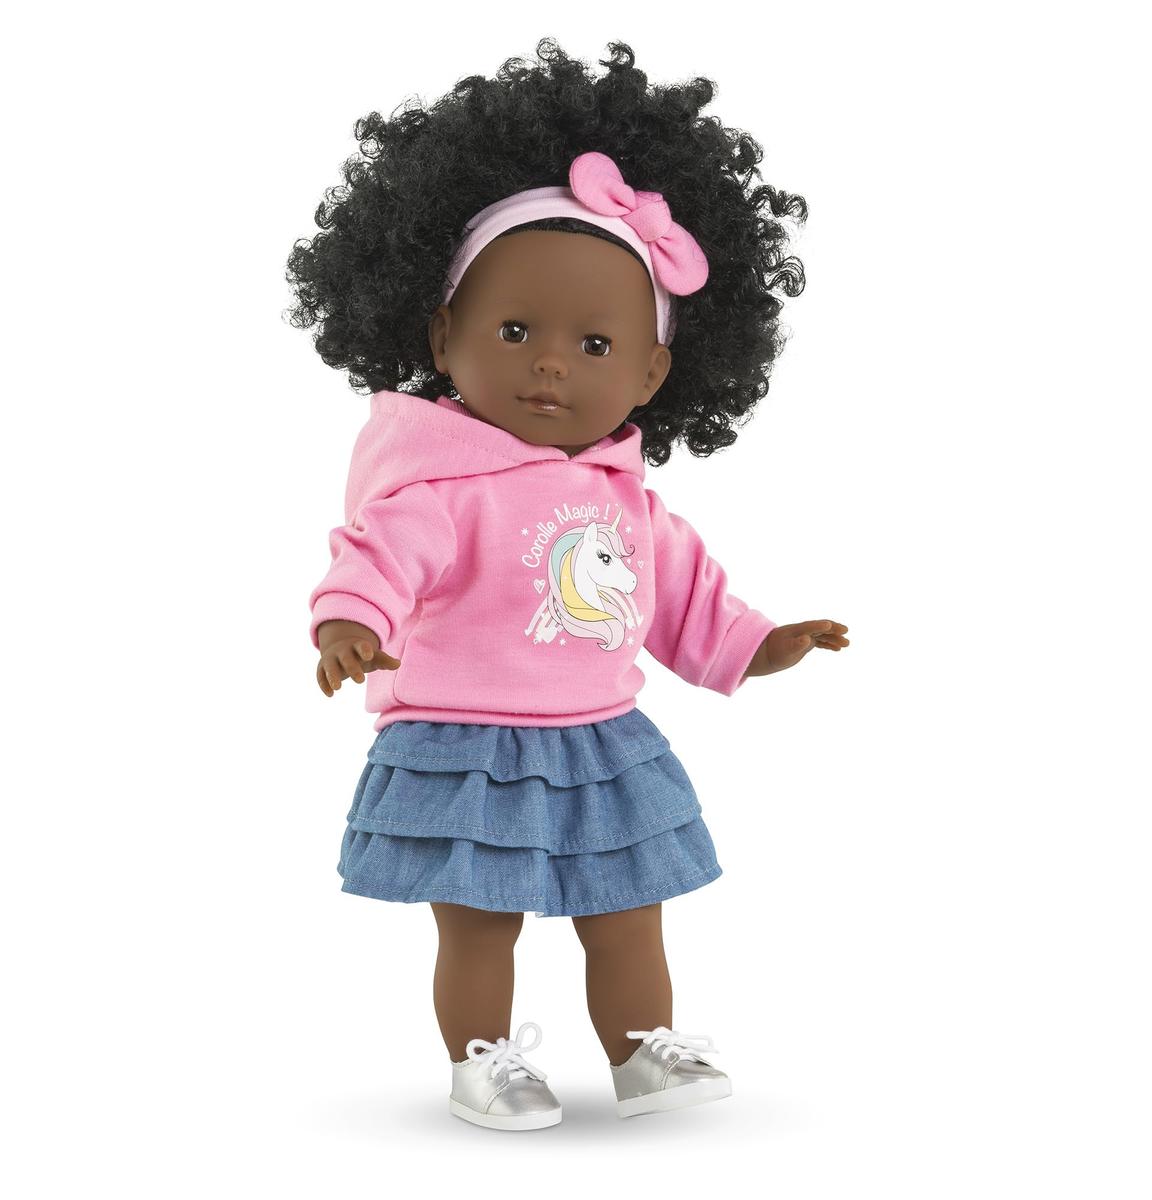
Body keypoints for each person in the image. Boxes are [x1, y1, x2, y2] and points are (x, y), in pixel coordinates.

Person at [286, 38, 849, 1131]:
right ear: (442, 335)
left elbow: (686, 596)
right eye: (514, 330)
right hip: (464, 738)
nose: (551, 361)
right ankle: (484, 1062)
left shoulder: (628, 501)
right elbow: (376, 556)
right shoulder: (443, 486)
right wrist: (350, 622)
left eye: (595, 344)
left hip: (599, 738)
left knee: (630, 910)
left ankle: (644, 1053)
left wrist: (760, 642)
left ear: (652, 372)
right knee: (479, 921)